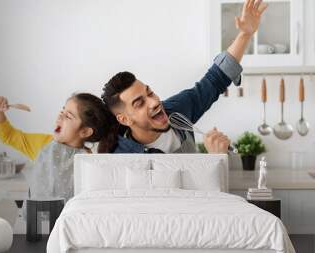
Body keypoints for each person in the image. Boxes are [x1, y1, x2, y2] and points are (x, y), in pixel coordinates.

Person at [101, 0, 267, 154]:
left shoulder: (177, 111)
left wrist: (245, 34)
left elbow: (216, 79)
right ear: (124, 119)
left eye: (149, 92)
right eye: (139, 103)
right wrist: (214, 159)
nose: (154, 102)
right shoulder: (121, 156)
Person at [0, 93, 117, 201]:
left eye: (68, 116)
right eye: (62, 111)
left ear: (85, 132)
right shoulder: (43, 145)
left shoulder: (90, 162)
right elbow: (9, 136)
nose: (60, 116)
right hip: (37, 225)